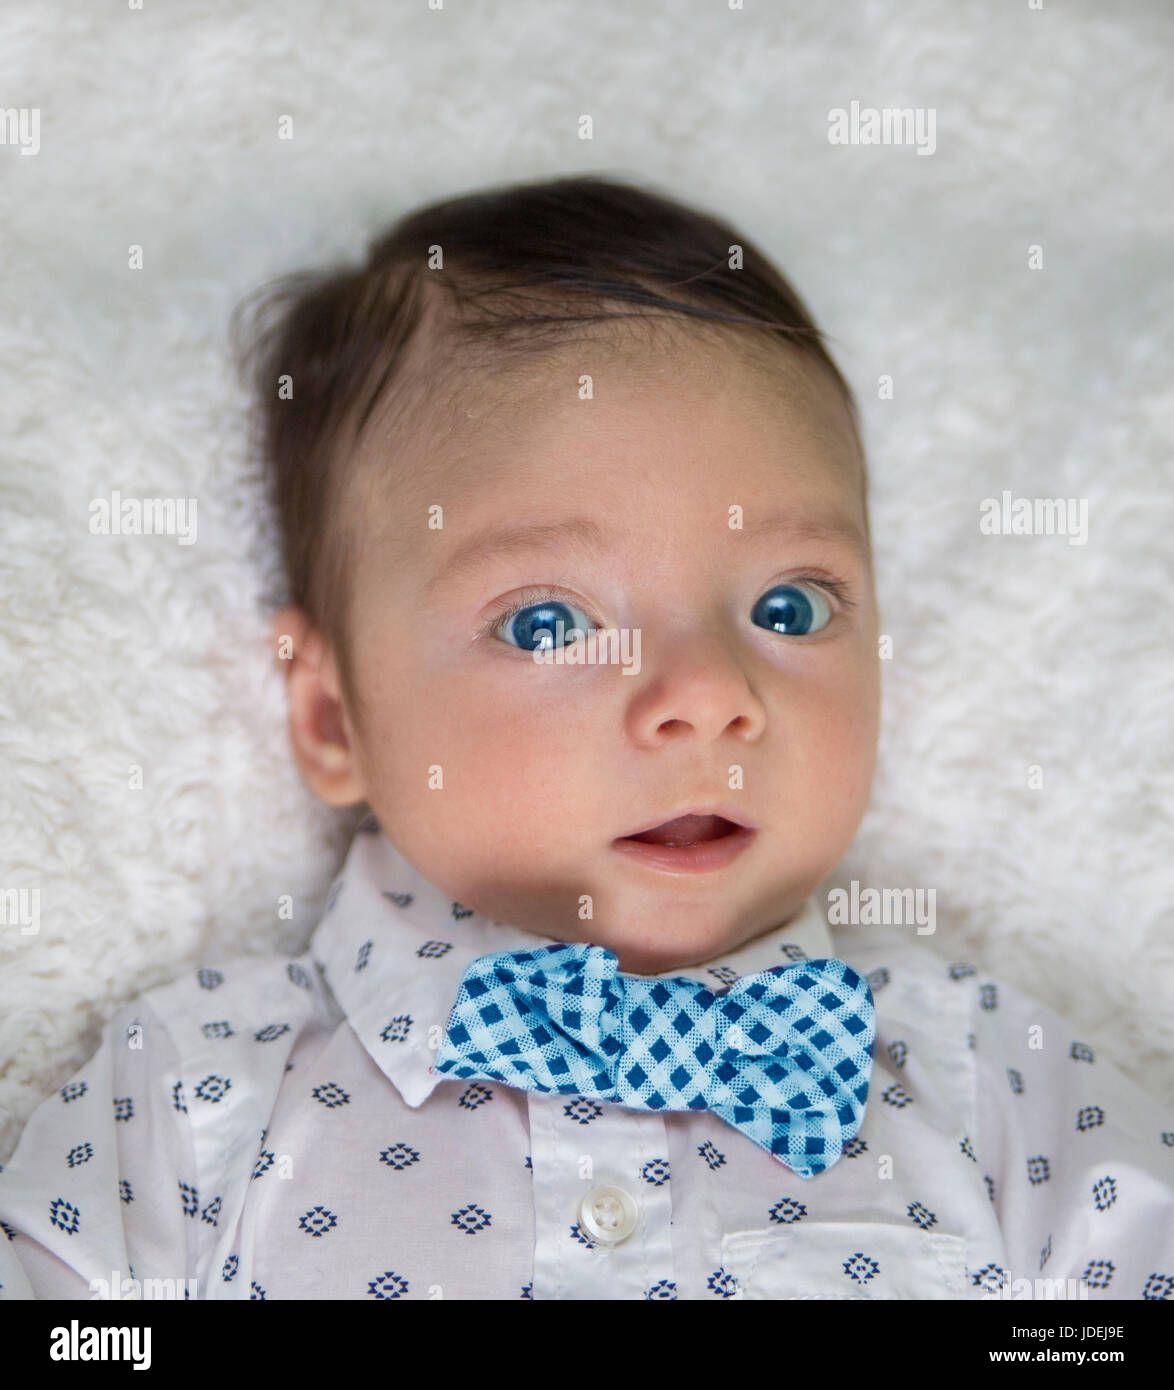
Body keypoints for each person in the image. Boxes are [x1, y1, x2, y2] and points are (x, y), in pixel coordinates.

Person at [1, 175, 1170, 1300]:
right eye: (549, 621)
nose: (709, 694)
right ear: (331, 715)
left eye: (789, 607)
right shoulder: (199, 1092)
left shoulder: (985, 1080)